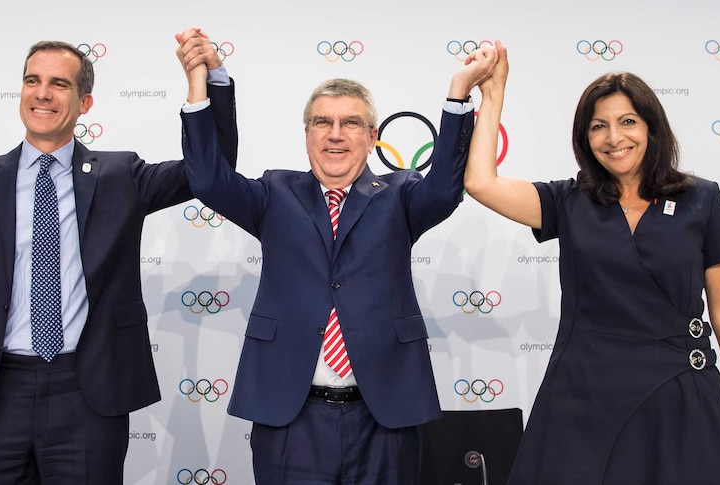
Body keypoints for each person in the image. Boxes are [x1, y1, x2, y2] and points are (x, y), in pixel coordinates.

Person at [0, 30, 237, 483]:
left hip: (86, 396)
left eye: (59, 84)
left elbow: (212, 172)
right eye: (32, 80)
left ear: (85, 103)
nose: (42, 93)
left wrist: (208, 81)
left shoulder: (121, 175)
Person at [174, 32, 498, 484]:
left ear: (373, 136)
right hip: (290, 414)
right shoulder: (273, 193)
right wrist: (200, 82)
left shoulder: (400, 194)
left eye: (349, 123)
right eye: (322, 122)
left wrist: (459, 93)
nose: (335, 134)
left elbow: (445, 187)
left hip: (384, 414)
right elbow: (207, 179)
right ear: (306, 133)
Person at [463, 42, 720, 483]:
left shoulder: (700, 199)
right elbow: (480, 182)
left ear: (652, 127)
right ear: (585, 138)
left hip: (678, 396)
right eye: (598, 126)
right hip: (582, 400)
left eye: (628, 122)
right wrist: (494, 94)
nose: (614, 138)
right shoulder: (568, 201)